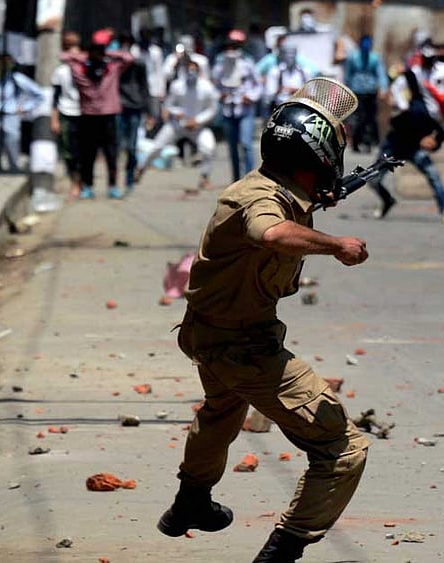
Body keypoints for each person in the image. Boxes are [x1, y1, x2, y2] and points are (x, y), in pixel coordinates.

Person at [156, 77, 370, 563]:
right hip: (243, 345)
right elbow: (271, 232)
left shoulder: (272, 187)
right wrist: (336, 245)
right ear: (315, 157)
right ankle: (283, 552)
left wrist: (316, 200)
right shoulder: (257, 201)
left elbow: (283, 211)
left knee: (221, 412)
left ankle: (189, 504)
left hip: (211, 335)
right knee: (342, 447)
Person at [370, 58, 444, 224]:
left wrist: (434, 143)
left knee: (434, 177)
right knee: (372, 179)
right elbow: (411, 80)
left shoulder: (429, 112)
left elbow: (441, 133)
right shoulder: (411, 102)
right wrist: (403, 71)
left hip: (414, 148)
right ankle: (387, 201)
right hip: (394, 146)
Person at [61, 29, 134, 199]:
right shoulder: (80, 71)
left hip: (109, 117)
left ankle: (112, 186)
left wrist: (106, 52)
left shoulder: (112, 68)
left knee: (111, 155)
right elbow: (63, 56)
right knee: (88, 155)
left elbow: (129, 58)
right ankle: (88, 186)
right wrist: (87, 55)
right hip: (88, 117)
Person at [140, 59, 219, 189]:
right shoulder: (177, 86)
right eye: (189, 70)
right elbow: (168, 105)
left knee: (208, 148)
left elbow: (212, 109)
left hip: (197, 126)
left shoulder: (207, 87)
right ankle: (141, 168)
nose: (191, 73)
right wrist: (176, 112)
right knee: (157, 146)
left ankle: (204, 177)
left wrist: (198, 120)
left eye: (194, 70)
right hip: (178, 124)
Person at [212, 29, 263, 182]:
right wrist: (219, 95)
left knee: (246, 143)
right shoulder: (220, 66)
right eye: (229, 48)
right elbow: (214, 86)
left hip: (245, 109)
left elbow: (258, 85)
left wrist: (251, 97)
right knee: (232, 147)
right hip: (229, 110)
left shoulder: (247, 63)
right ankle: (236, 179)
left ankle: (250, 177)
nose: (231, 51)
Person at [0, 52, 44, 174]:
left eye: (8, 62)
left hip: (10, 116)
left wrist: (26, 107)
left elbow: (39, 94)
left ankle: (14, 171)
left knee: (12, 146)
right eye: (2, 62)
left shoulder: (17, 78)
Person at [51, 31, 84, 198]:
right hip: (66, 112)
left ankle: (83, 182)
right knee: (68, 152)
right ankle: (74, 182)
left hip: (84, 114)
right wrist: (55, 119)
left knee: (83, 151)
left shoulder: (86, 70)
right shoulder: (60, 72)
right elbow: (55, 98)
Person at [117, 33, 151, 192]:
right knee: (118, 145)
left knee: (131, 146)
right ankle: (115, 181)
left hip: (135, 107)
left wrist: (149, 110)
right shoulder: (115, 64)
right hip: (118, 107)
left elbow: (145, 87)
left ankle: (130, 178)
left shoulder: (139, 64)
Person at [344, 34, 388, 153]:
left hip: (370, 91)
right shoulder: (353, 58)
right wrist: (346, 90)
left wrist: (383, 88)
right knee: (360, 117)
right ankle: (356, 142)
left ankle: (370, 141)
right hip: (357, 91)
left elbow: (381, 74)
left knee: (371, 118)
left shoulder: (375, 58)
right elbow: (347, 75)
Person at [134, 27, 167, 129]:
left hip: (154, 87)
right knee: (142, 113)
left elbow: (160, 71)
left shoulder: (156, 51)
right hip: (138, 87)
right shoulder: (135, 50)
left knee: (154, 113)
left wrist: (162, 90)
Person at [265, 46, 311, 110]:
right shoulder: (276, 71)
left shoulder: (304, 72)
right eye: (287, 54)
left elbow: (310, 92)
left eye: (292, 53)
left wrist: (295, 90)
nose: (290, 56)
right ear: (282, 55)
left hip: (300, 107)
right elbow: (269, 93)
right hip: (280, 106)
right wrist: (280, 90)